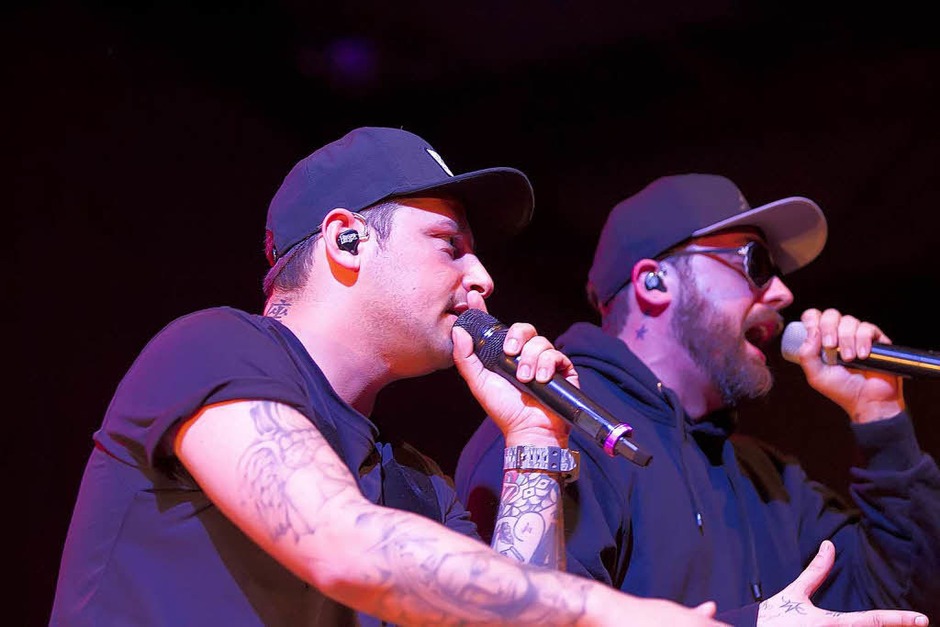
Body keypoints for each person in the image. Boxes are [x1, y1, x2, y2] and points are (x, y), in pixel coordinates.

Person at [50, 127, 736, 626]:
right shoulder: (213, 348)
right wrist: (607, 610)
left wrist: (534, 438)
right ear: (347, 240)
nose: (483, 278)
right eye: (450, 246)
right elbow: (340, 543)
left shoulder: (416, 484)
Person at [455, 173, 940, 626]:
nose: (782, 292)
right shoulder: (555, 427)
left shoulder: (770, 480)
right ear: (654, 282)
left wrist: (880, 415)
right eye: (756, 263)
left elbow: (903, 604)